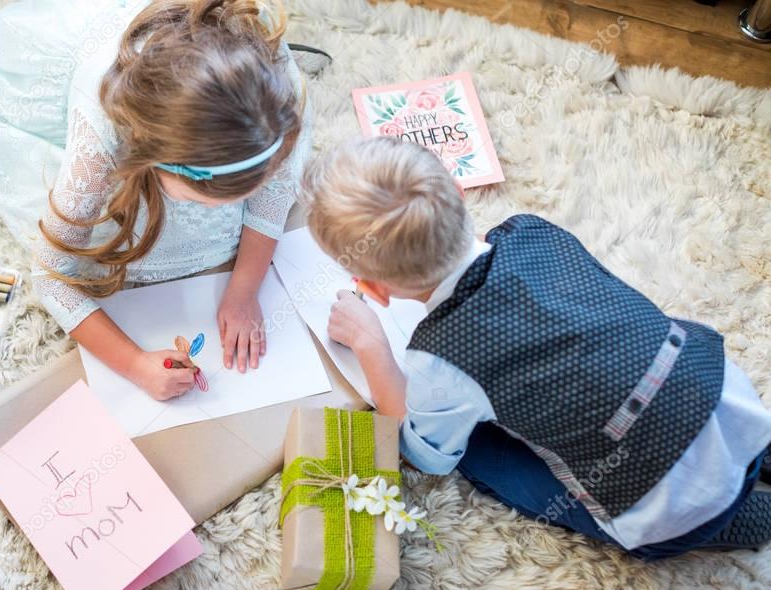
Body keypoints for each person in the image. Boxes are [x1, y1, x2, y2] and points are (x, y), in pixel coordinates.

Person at [303, 136, 771, 559]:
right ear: (460, 192)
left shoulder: (440, 360)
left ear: (374, 291)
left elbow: (425, 457)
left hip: (677, 510)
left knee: (477, 455)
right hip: (730, 404)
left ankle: (717, 526)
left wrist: (371, 344)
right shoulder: (532, 231)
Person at [0, 0, 310, 400]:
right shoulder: (102, 137)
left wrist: (243, 291)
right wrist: (134, 364)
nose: (226, 212)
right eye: (205, 200)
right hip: (95, 73)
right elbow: (50, 275)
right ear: (149, 159)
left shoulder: (275, 100)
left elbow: (274, 193)